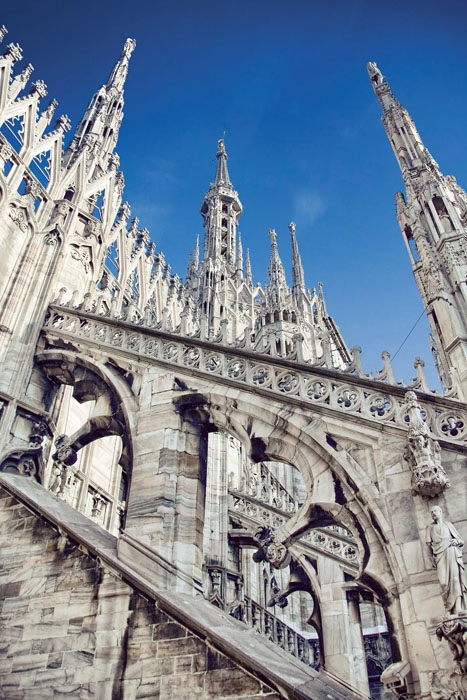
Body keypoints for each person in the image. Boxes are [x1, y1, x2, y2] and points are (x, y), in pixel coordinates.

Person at [426, 506, 467, 615]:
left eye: (435, 511)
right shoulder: (430, 528)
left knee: (455, 579)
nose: (434, 513)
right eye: (432, 512)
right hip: (440, 555)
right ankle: (448, 608)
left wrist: (456, 541)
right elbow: (428, 546)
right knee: (443, 583)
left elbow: (460, 540)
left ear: (440, 512)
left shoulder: (448, 525)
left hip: (451, 552)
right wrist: (431, 560)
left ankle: (458, 607)